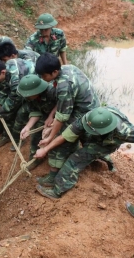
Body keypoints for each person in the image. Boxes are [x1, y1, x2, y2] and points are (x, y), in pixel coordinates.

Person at [34, 106, 134, 200]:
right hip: (97, 134)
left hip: (110, 142)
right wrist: (45, 149)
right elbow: (65, 135)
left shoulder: (125, 132)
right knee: (85, 140)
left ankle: (57, 191)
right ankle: (104, 158)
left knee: (75, 160)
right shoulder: (87, 119)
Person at [34, 52, 101, 186]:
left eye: (44, 75)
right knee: (63, 133)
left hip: (85, 113)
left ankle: (53, 176)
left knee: (60, 137)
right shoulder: (67, 68)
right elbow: (62, 101)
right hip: (88, 106)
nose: (42, 78)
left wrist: (50, 137)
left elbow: (62, 117)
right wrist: (51, 116)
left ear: (54, 72)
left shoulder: (64, 86)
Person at [0, 58, 35, 149]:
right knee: (6, 110)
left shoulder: (15, 79)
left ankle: (18, 139)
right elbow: (5, 88)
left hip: (33, 91)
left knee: (20, 113)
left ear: (3, 72)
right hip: (21, 89)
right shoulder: (5, 69)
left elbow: (14, 99)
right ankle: (6, 135)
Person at [17, 74, 57, 170]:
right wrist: (27, 127)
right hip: (45, 113)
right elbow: (35, 111)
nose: (28, 96)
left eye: (30, 94)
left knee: (58, 136)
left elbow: (63, 104)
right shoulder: (28, 96)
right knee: (36, 133)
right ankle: (35, 156)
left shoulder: (52, 91)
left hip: (61, 114)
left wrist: (52, 116)